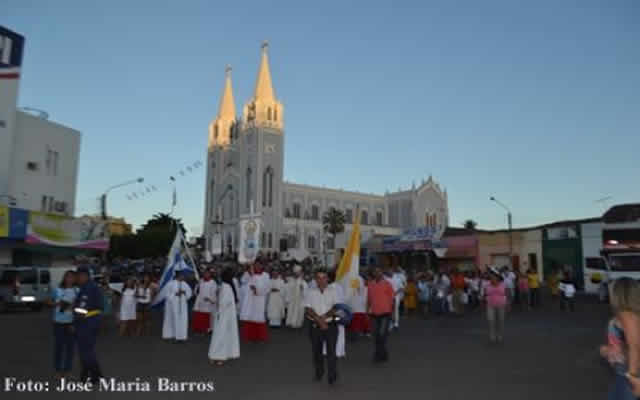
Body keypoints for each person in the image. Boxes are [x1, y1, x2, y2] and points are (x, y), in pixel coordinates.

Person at [599, 278, 640, 400]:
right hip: (622, 374)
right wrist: (607, 350)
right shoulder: (628, 314)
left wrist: (633, 378)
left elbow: (635, 347)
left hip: (628, 376)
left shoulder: (627, 315)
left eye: (612, 290)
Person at [305, 269, 340, 385]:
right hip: (315, 325)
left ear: (328, 279)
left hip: (331, 325)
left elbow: (336, 307)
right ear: (315, 280)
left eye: (323, 277)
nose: (321, 280)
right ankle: (319, 372)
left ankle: (332, 375)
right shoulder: (310, 291)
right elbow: (308, 309)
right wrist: (319, 321)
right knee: (316, 352)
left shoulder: (334, 291)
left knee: (331, 352)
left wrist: (324, 318)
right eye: (318, 278)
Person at [73, 266, 104, 384]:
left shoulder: (87, 288)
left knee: (85, 351)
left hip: (86, 322)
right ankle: (87, 375)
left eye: (79, 276)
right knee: (86, 350)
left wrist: (74, 322)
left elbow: (82, 309)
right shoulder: (89, 287)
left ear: (84, 276)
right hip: (91, 321)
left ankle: (95, 375)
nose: (77, 278)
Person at [208, 268, 240, 366]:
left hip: (223, 315)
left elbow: (223, 303)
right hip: (226, 316)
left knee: (220, 335)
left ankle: (219, 356)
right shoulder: (228, 287)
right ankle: (219, 355)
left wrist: (217, 306)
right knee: (224, 335)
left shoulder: (226, 287)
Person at [51, 270, 77, 379]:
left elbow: (81, 306)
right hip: (58, 322)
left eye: (72, 277)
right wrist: (58, 303)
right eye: (68, 277)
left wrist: (73, 306)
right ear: (64, 278)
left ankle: (68, 371)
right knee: (59, 347)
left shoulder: (77, 290)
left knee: (70, 348)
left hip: (71, 322)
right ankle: (58, 371)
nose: (69, 279)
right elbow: (48, 301)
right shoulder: (57, 289)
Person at [368, 266, 394, 363]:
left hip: (385, 313)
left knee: (382, 335)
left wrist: (393, 314)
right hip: (374, 314)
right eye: (375, 271)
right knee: (376, 335)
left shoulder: (387, 284)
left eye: (379, 271)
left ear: (382, 273)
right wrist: (367, 312)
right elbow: (369, 299)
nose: (377, 273)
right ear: (373, 273)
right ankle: (383, 354)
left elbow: (392, 299)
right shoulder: (370, 284)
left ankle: (377, 355)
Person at [239, 263, 271, 342]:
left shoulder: (265, 275)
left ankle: (259, 336)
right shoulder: (248, 273)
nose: (257, 267)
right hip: (250, 299)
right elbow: (243, 282)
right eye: (255, 265)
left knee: (258, 316)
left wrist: (257, 290)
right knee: (250, 315)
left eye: (259, 265)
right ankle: (249, 335)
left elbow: (267, 287)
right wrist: (249, 275)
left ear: (262, 266)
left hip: (259, 299)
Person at [162, 271, 193, 343]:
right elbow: (166, 294)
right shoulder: (170, 283)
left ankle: (181, 336)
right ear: (178, 276)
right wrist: (175, 294)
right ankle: (172, 335)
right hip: (172, 306)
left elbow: (190, 293)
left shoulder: (185, 284)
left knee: (182, 320)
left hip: (182, 305)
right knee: (173, 320)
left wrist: (184, 292)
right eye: (182, 275)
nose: (184, 277)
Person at [486, 267, 507, 344]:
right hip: (490, 305)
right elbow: (485, 294)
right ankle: (492, 335)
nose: (492, 279)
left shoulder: (503, 284)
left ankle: (500, 335)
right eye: (491, 278)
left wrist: (508, 304)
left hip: (501, 305)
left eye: (494, 277)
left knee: (500, 321)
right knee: (491, 320)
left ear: (498, 278)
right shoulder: (487, 285)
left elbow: (507, 294)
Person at [192, 270, 217, 335]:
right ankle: (199, 329)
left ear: (210, 275)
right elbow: (196, 291)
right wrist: (197, 288)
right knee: (199, 315)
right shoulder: (200, 281)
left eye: (207, 274)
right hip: (200, 301)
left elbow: (214, 293)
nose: (205, 275)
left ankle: (207, 330)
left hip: (208, 302)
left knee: (207, 317)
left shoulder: (213, 282)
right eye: (204, 274)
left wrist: (210, 299)